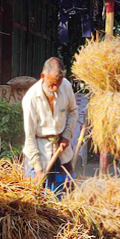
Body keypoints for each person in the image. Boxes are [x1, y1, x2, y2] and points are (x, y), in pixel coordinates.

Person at [22, 57, 78, 193]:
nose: (55, 88)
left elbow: (73, 111)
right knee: (38, 200)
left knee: (66, 194)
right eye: (51, 84)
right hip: (39, 151)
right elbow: (29, 137)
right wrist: (38, 168)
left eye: (58, 84)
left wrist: (66, 136)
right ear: (42, 76)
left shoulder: (65, 86)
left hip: (62, 151)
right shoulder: (31, 98)